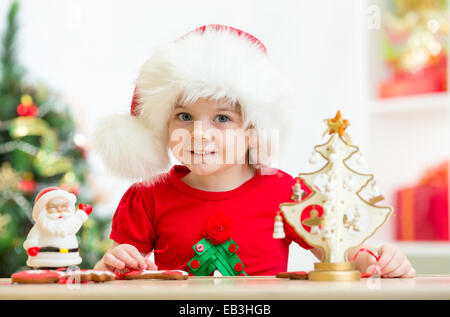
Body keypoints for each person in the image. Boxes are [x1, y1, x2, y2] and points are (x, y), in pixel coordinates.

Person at [92, 24, 415, 278]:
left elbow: (341, 253)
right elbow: (117, 270)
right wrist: (114, 264)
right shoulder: (147, 197)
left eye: (222, 118)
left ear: (253, 131)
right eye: (184, 117)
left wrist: (376, 260)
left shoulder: (288, 194)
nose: (199, 134)